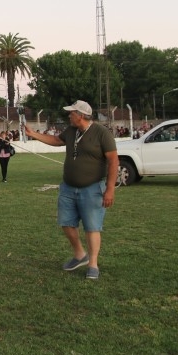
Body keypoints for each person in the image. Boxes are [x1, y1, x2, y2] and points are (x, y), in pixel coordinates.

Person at [24, 100, 117, 281]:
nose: (69, 115)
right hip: (68, 187)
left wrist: (110, 190)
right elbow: (56, 140)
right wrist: (33, 134)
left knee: (92, 227)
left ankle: (93, 264)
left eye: (72, 113)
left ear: (81, 115)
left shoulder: (102, 133)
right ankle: (80, 254)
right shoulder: (71, 131)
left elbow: (114, 161)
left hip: (93, 188)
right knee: (66, 223)